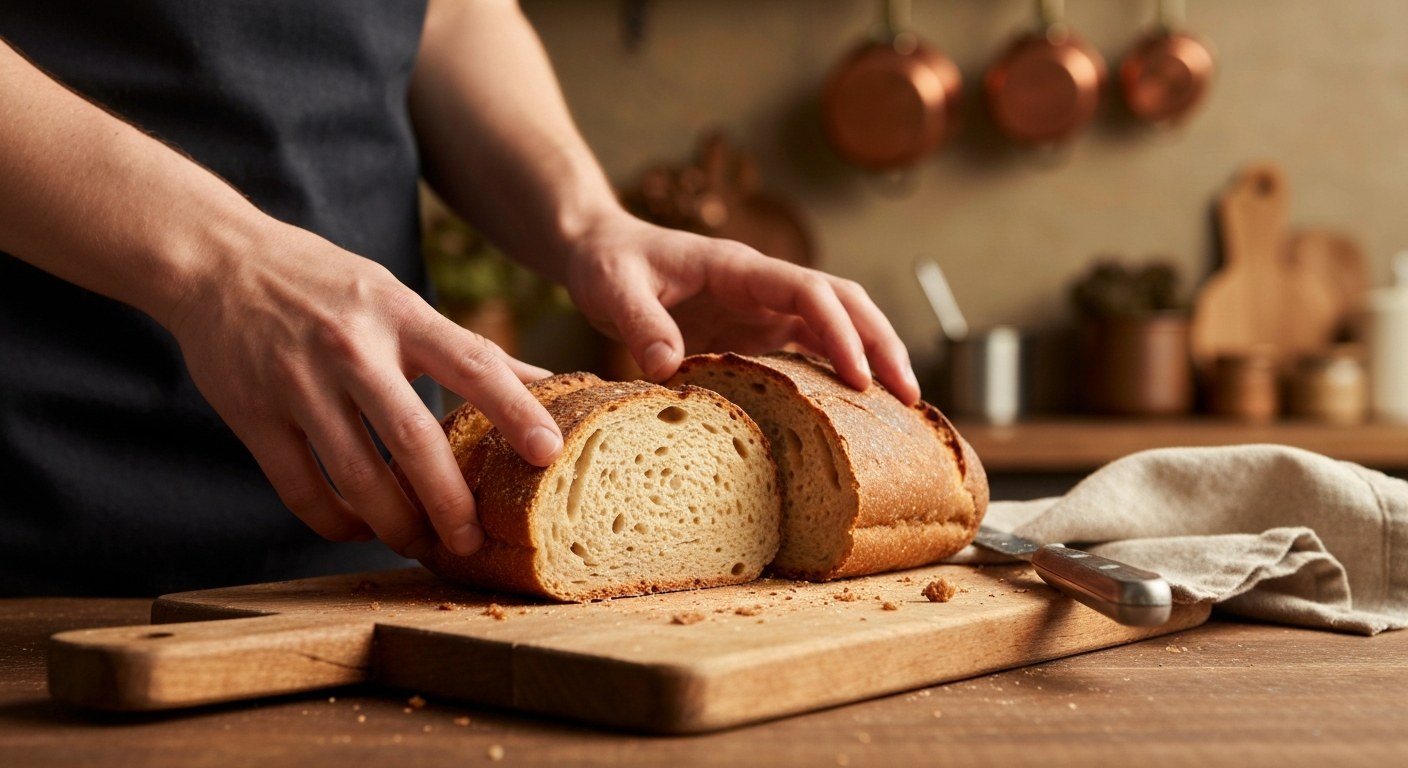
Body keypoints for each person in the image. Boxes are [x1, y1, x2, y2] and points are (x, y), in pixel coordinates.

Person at [0, 0, 919, 596]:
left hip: (374, 544)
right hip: (39, 535)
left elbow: (446, 15)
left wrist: (587, 223)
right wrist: (221, 264)